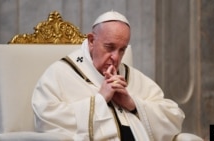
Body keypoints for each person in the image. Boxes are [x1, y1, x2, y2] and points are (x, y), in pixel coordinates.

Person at [32, 11, 185, 141]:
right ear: (92, 40)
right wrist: (100, 100)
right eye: (109, 47)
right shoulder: (61, 73)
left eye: (122, 50)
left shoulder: (131, 76)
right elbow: (45, 118)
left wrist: (133, 105)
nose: (116, 58)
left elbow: (174, 116)